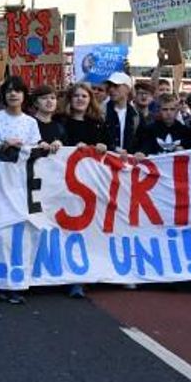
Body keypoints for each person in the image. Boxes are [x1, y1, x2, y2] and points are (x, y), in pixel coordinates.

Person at [0, 76, 40, 305]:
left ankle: (15, 282)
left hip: (21, 185)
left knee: (21, 233)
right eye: (9, 91)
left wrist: (22, 146)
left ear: (25, 96)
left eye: (18, 91)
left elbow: (35, 151)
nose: (13, 95)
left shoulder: (31, 123)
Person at [59, 82, 110, 299]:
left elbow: (109, 149)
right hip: (64, 186)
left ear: (91, 100)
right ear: (70, 99)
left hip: (91, 187)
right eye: (76, 96)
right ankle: (66, 275)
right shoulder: (60, 122)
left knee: (88, 231)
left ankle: (83, 275)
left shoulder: (97, 124)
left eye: (84, 96)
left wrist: (102, 148)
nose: (80, 99)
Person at [104, 72, 139, 154]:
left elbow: (142, 141)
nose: (111, 89)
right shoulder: (100, 112)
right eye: (110, 86)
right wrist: (113, 148)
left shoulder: (136, 116)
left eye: (116, 86)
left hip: (127, 164)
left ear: (127, 89)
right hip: (104, 163)